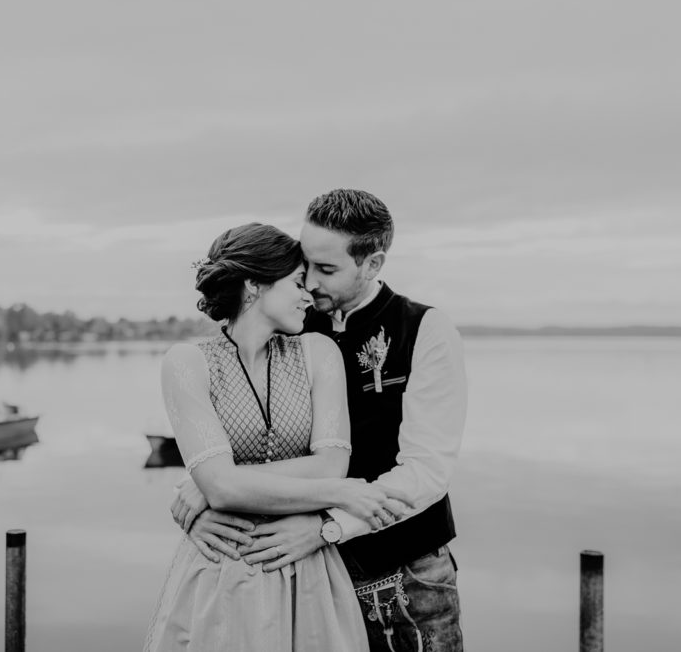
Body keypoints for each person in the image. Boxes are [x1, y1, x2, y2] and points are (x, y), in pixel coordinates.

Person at [171, 190, 468, 652]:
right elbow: (235, 423)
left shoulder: (424, 329)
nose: (309, 282)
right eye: (305, 264)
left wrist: (327, 525)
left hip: (405, 575)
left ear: (372, 263)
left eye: (326, 269)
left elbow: (426, 471)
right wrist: (203, 488)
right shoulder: (290, 321)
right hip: (299, 581)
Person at [143, 222, 413, 652]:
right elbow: (223, 488)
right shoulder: (188, 362)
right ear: (254, 285)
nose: (309, 296)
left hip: (307, 569)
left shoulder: (318, 353)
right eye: (297, 283)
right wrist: (341, 493)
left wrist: (216, 481)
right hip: (221, 567)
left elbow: (330, 464)